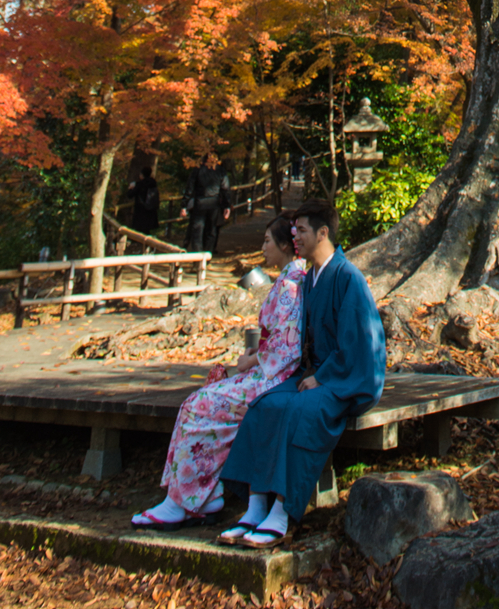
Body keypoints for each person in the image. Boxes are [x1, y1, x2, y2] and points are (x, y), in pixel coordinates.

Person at [219, 198, 385, 548]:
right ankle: (255, 504)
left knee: (299, 410)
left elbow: (358, 346)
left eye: (302, 230)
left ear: (323, 233)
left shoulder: (348, 277)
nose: (296, 235)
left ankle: (282, 509)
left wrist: (323, 377)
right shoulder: (311, 278)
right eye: (295, 230)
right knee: (265, 405)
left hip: (348, 379)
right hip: (317, 373)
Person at [131, 216, 304, 529]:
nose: (262, 248)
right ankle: (197, 496)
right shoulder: (286, 282)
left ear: (283, 245)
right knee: (196, 402)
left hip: (271, 380)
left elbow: (287, 350)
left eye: (267, 241)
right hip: (264, 371)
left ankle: (185, 500)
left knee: (199, 405)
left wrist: (252, 361)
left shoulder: (291, 286)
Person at [181, 154, 232, 255]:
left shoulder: (197, 170)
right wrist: (227, 205)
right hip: (214, 203)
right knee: (211, 231)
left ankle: (197, 259)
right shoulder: (220, 171)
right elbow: (225, 189)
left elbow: (189, 188)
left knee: (197, 231)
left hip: (200, 202)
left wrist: (184, 205)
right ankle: (207, 256)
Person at [128, 164, 160, 237]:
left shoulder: (140, 185)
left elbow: (130, 195)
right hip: (151, 210)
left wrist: (130, 188)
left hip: (141, 210)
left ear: (142, 175)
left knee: (141, 230)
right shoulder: (153, 184)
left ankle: (145, 245)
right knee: (146, 230)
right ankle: (148, 245)